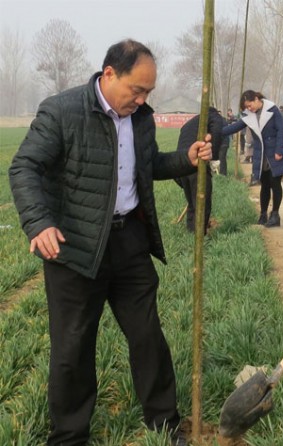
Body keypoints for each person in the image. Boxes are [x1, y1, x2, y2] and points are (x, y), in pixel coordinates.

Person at [8, 39, 212, 446]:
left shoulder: (140, 119)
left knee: (147, 335)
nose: (141, 99)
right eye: (136, 90)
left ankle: (165, 424)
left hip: (129, 244)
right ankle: (69, 435)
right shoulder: (63, 111)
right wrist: (38, 223)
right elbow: (25, 166)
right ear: (109, 75)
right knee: (73, 347)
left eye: (148, 92)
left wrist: (185, 159)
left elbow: (148, 165)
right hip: (76, 248)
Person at [221, 90, 283, 227]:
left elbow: (281, 130)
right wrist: (216, 132)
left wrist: (279, 149)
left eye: (250, 105)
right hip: (261, 154)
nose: (249, 109)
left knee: (275, 183)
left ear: (257, 99)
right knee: (265, 184)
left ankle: (275, 215)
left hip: (275, 152)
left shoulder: (272, 110)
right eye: (247, 107)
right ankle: (262, 214)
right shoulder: (249, 115)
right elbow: (235, 127)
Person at [175, 107, 228, 233]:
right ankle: (200, 234)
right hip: (197, 163)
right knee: (203, 203)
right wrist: (214, 157)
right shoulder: (214, 117)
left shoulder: (191, 122)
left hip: (180, 164)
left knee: (192, 202)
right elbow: (216, 132)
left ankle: (191, 232)